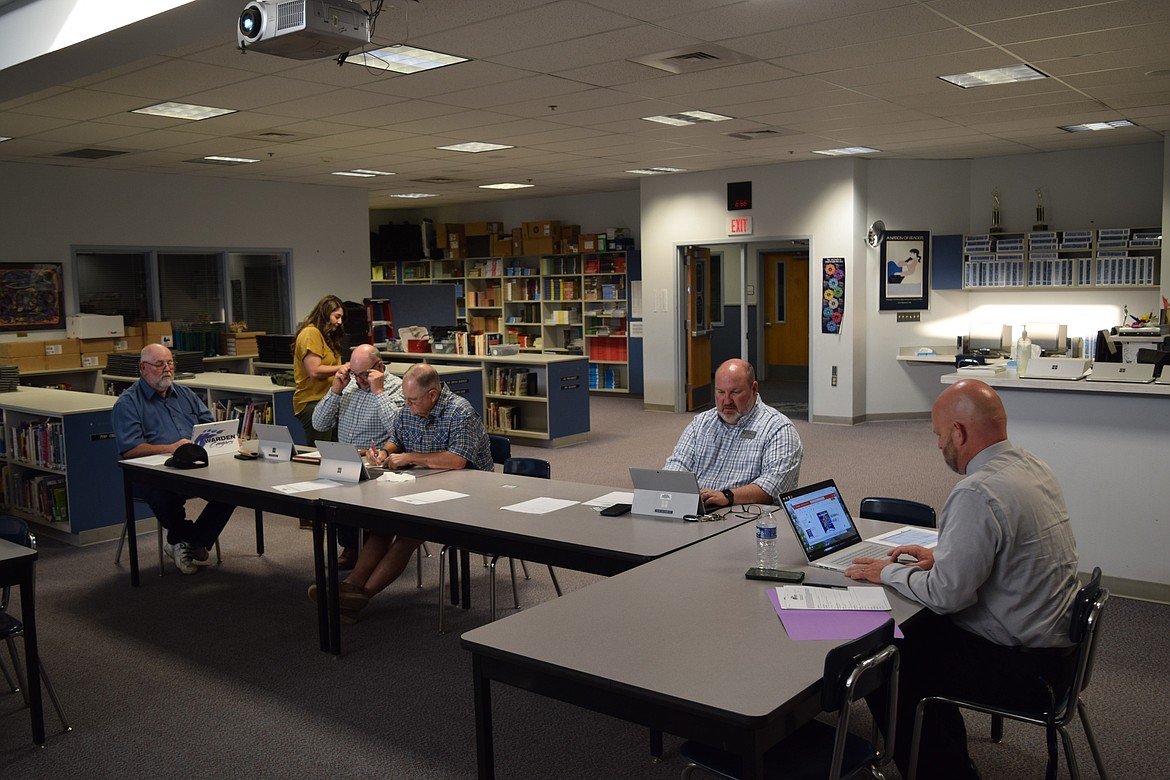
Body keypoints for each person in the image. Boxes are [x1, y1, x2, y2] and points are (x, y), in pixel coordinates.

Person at [845, 379, 1080, 780]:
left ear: (959, 431)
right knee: (918, 639)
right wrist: (942, 556)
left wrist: (887, 571)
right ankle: (949, 758)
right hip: (1060, 656)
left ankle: (942, 771)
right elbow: (1011, 546)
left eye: (939, 435)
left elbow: (945, 596)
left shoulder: (977, 491)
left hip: (1023, 670)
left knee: (887, 664)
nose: (939, 445)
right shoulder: (1031, 466)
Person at [309, 363, 493, 622]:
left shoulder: (460, 411)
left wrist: (409, 457)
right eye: (406, 400)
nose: (407, 406)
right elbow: (397, 437)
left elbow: (457, 460)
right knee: (382, 525)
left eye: (412, 400)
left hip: (469, 495)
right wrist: (385, 452)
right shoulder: (411, 407)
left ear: (432, 394)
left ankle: (359, 598)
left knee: (409, 532)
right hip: (426, 488)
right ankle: (349, 588)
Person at [112, 343, 237, 575]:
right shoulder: (128, 403)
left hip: (191, 465)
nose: (167, 369)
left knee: (233, 489)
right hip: (150, 473)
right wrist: (170, 448)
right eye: (160, 364)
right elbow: (129, 449)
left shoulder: (185, 394)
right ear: (143, 368)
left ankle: (192, 541)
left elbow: (210, 425)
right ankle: (186, 539)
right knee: (163, 495)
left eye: (170, 363)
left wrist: (225, 439)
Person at [311, 343, 403, 568]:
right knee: (330, 488)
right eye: (354, 373)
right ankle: (352, 545)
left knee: (349, 484)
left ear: (379, 367)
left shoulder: (396, 388)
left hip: (378, 463)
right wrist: (335, 390)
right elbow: (319, 423)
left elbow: (400, 432)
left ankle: (363, 546)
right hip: (345, 460)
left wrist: (378, 392)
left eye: (363, 375)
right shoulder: (349, 386)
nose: (359, 380)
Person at [664, 358, 803, 508]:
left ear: (754, 389)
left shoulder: (778, 428)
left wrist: (727, 496)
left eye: (735, 392)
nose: (727, 400)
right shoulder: (701, 423)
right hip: (699, 510)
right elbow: (678, 464)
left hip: (744, 514)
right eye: (721, 392)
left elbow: (773, 486)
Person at [292, 294, 347, 446]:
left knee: (335, 450)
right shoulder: (311, 333)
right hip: (312, 402)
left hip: (327, 401)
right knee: (320, 452)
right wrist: (344, 367)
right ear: (325, 313)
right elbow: (314, 370)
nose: (339, 322)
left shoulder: (326, 336)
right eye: (336, 316)